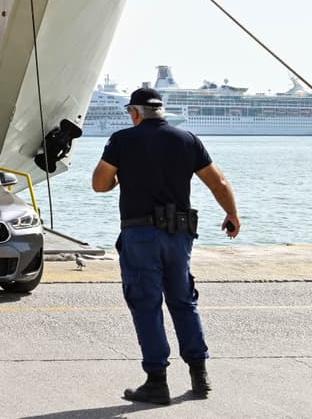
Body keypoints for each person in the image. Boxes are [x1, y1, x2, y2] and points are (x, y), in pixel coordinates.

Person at [92, 87, 240, 405]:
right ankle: (200, 378)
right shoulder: (187, 139)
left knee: (146, 305)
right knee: (184, 302)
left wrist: (121, 177)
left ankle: (157, 381)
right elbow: (219, 182)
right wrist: (231, 214)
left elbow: (100, 184)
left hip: (140, 235)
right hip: (179, 237)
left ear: (135, 113)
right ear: (161, 111)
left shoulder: (122, 140)